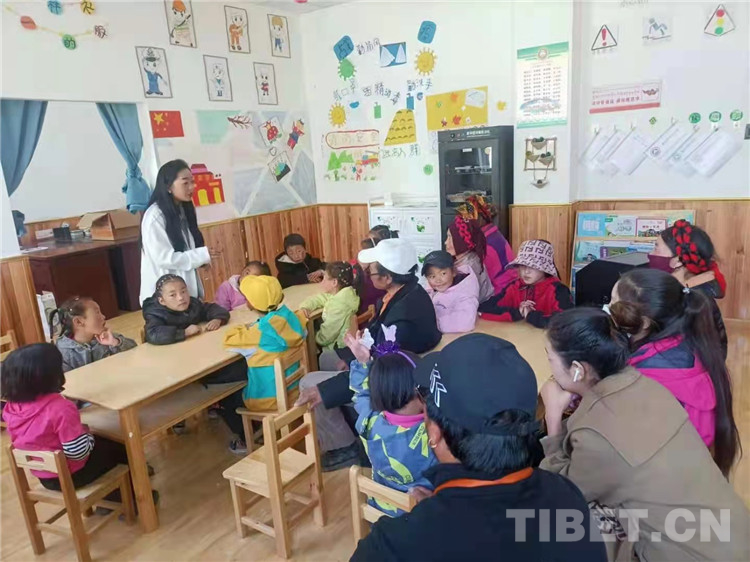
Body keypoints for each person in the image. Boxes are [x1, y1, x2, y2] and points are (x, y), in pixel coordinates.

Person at [352, 333, 606, 561]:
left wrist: (438, 512)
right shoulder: (567, 498)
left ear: (434, 432)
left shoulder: (389, 547)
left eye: (423, 395)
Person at [540, 308, 749, 561]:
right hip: (733, 535)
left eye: (550, 358)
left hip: (689, 555)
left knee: (552, 522)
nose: (550, 367)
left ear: (577, 369)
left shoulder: (599, 436)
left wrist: (553, 416)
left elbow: (562, 491)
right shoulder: (646, 385)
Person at [296, 238, 441, 472]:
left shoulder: (402, 316)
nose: (366, 275)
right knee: (327, 357)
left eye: (371, 271)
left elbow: (380, 368)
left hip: (396, 380)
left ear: (387, 277)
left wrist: (327, 389)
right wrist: (354, 357)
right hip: (390, 359)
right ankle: (352, 423)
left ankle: (345, 448)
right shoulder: (406, 291)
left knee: (309, 383)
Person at [609, 268, 739, 475]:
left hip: (663, 473)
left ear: (644, 322)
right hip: (691, 466)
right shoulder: (690, 344)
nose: (608, 308)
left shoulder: (644, 379)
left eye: (614, 303)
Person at [1, 344, 158, 508]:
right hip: (72, 476)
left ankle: (113, 496)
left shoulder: (11, 408)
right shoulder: (60, 408)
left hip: (46, 477)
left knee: (104, 445)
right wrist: (88, 434)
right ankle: (134, 499)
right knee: (121, 446)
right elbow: (78, 453)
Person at [142, 274, 248, 454]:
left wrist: (217, 319)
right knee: (234, 378)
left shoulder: (193, 305)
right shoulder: (155, 313)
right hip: (176, 369)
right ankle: (242, 429)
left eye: (183, 291)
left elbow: (214, 308)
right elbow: (153, 334)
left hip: (200, 360)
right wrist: (183, 333)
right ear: (161, 300)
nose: (181, 297)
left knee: (238, 367)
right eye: (173, 295)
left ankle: (236, 419)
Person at [345, 331, 437, 514]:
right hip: (418, 517)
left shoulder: (369, 421)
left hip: (381, 507)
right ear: (418, 391)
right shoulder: (431, 435)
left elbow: (361, 394)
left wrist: (363, 362)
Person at [224, 275, 307, 411]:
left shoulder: (257, 333)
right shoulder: (294, 319)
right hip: (295, 391)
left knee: (227, 398)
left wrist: (245, 326)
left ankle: (255, 425)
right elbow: (302, 316)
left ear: (250, 304)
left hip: (266, 400)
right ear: (280, 297)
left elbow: (229, 339)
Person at [650, 220, 728, 357]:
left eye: (656, 248)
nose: (651, 253)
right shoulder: (690, 290)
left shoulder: (690, 303)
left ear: (678, 261)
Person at [140, 159, 211, 305]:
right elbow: (165, 258)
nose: (192, 187)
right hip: (165, 300)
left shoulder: (183, 210)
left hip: (182, 297)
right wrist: (200, 256)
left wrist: (200, 260)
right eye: (185, 183)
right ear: (168, 186)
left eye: (192, 182)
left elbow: (185, 249)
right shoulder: (155, 216)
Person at [479, 239, 573, 328]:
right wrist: (518, 312)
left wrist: (530, 315)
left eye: (533, 266)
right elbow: (483, 308)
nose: (526, 271)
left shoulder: (559, 291)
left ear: (545, 268)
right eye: (522, 265)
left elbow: (566, 321)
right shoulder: (514, 287)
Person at [50, 296, 136, 372]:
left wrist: (114, 342)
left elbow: (134, 350)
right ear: (78, 322)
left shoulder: (104, 337)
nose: (103, 316)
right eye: (97, 313)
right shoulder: (63, 351)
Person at [457, 195, 517, 294]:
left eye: (465, 219)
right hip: (508, 289)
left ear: (478, 219)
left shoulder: (486, 244)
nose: (461, 224)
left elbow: (478, 281)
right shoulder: (492, 234)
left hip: (500, 294)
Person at [299, 262, 361, 351]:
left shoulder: (338, 305)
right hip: (343, 344)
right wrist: (306, 306)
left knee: (306, 339)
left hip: (337, 349)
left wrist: (313, 338)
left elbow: (326, 337)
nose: (322, 282)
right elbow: (321, 298)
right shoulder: (345, 293)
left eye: (324, 278)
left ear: (334, 282)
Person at [422, 250, 479, 333]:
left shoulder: (465, 293)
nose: (438, 280)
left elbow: (465, 322)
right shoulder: (432, 289)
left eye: (443, 273)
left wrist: (431, 324)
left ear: (453, 272)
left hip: (453, 337)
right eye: (432, 276)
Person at [445, 216, 494, 303]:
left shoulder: (468, 268)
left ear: (460, 241)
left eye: (450, 237)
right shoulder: (466, 259)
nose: (445, 242)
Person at [352, 237, 386, 315]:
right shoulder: (360, 271)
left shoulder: (376, 278)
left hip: (370, 315)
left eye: (362, 252)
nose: (358, 255)